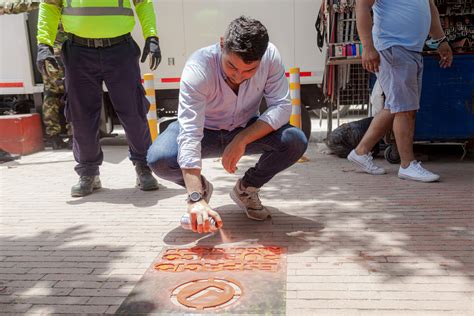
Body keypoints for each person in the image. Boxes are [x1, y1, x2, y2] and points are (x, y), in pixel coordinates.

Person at [147, 16, 308, 234]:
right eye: (231, 65)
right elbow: (190, 133)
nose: (238, 76)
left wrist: (242, 139)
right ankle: (201, 190)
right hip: (204, 130)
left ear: (261, 58)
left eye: (249, 70)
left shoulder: (270, 56)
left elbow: (281, 107)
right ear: (222, 44)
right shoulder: (198, 67)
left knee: (294, 140)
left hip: (245, 126)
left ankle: (246, 189)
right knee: (159, 159)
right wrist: (194, 198)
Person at [36, 0, 162, 197]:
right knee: (81, 117)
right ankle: (88, 173)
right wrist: (44, 43)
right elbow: (50, 6)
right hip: (79, 51)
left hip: (120, 48)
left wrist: (151, 35)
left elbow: (143, 2)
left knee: (134, 112)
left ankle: (143, 167)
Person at [348, 0, 453, 182]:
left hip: (410, 49)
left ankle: (361, 152)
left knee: (396, 106)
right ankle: (407, 165)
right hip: (393, 47)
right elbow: (362, 6)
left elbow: (430, 7)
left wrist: (441, 40)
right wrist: (367, 47)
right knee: (405, 109)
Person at [0, 0, 71, 149]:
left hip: (52, 54)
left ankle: (54, 137)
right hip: (66, 52)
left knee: (52, 94)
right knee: (70, 94)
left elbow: (21, 5)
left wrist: (3, 7)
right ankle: (73, 135)